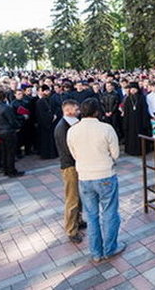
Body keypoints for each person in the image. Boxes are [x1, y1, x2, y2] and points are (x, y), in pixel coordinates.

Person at [67, 98, 124, 262]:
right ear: (97, 112)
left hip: (84, 176)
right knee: (110, 212)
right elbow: (115, 154)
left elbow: (74, 154)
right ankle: (110, 248)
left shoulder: (73, 130)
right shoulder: (106, 128)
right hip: (105, 175)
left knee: (91, 216)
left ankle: (96, 252)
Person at [54, 99, 86, 244]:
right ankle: (71, 230)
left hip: (75, 164)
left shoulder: (72, 123)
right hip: (69, 166)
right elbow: (68, 150)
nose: (78, 111)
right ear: (68, 110)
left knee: (78, 197)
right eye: (76, 109)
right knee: (72, 199)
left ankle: (78, 220)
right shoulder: (62, 128)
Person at [0, 89, 24, 178]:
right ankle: (11, 171)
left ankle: (6, 170)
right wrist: (18, 126)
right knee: (10, 153)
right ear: (4, 97)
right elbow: (12, 121)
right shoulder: (6, 108)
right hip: (8, 132)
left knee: (4, 152)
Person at [121, 82, 150, 156]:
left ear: (137, 89)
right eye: (131, 89)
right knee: (131, 136)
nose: (133, 90)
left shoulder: (142, 97)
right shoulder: (127, 99)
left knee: (140, 136)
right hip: (130, 122)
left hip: (140, 121)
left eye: (134, 89)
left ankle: (141, 150)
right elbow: (126, 112)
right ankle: (131, 150)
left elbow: (144, 110)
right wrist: (125, 123)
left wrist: (145, 122)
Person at [35, 85, 57, 159]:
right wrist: (51, 118)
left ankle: (52, 154)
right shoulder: (40, 101)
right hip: (44, 124)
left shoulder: (50, 99)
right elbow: (42, 114)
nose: (47, 92)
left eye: (48, 91)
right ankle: (46, 155)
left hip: (50, 123)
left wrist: (53, 116)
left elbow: (52, 109)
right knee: (45, 140)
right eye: (46, 91)